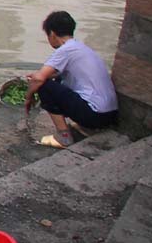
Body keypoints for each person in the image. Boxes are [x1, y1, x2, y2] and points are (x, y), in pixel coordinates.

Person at [25, 10, 118, 149]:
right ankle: (84, 126)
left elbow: (39, 79)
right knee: (55, 80)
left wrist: (28, 96)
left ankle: (64, 137)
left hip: (94, 115)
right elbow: (55, 74)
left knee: (45, 86)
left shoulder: (65, 50)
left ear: (52, 34)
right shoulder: (81, 48)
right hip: (110, 115)